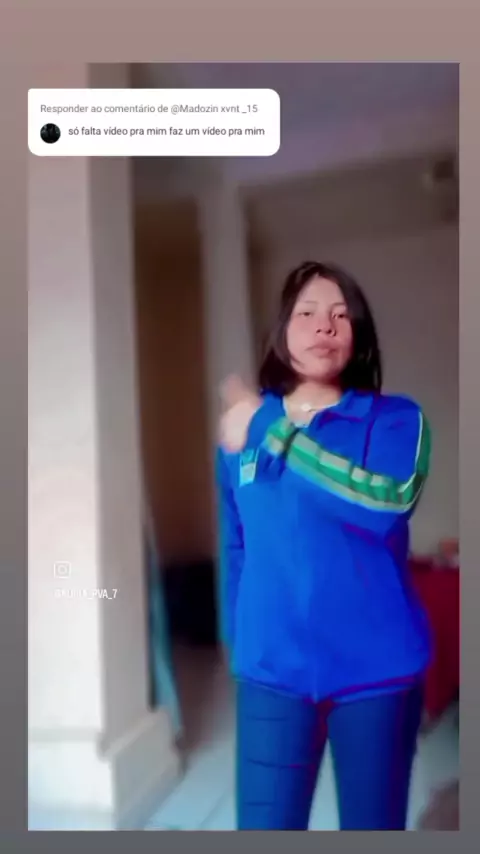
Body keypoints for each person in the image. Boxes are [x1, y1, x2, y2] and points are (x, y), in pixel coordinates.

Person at [216, 261, 432, 831]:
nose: (324, 326)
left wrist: (270, 428)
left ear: (357, 334)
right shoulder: (243, 433)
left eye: (340, 315)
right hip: (271, 675)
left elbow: (385, 504)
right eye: (307, 313)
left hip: (377, 675)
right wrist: (240, 639)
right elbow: (236, 544)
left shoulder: (395, 420)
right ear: (281, 331)